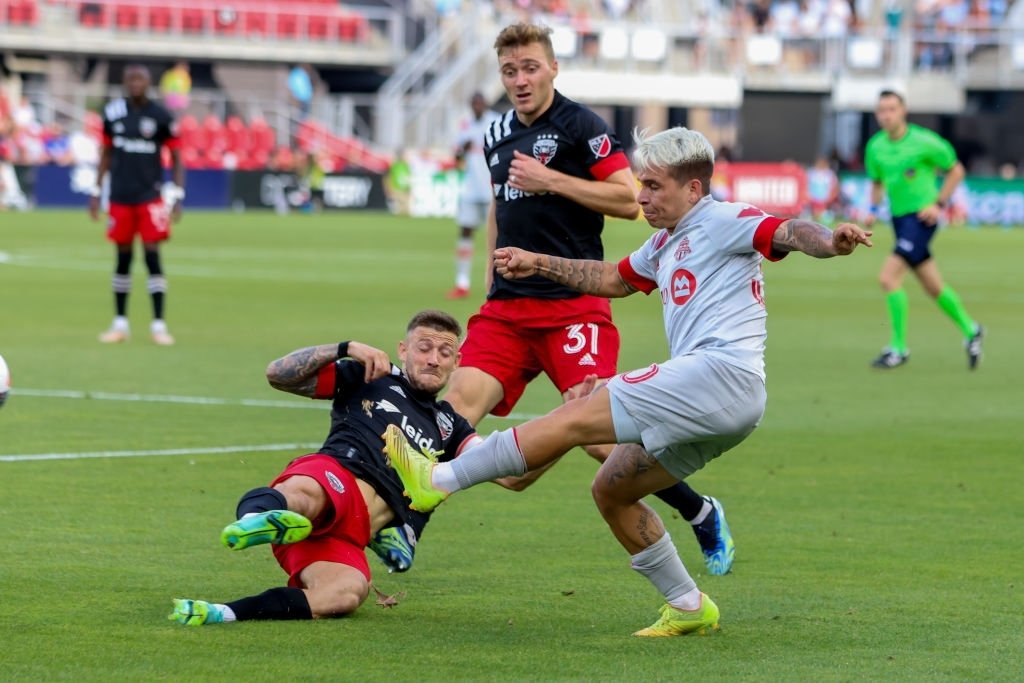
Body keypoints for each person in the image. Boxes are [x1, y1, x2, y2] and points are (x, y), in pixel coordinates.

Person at [383, 126, 873, 636]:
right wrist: (536, 263)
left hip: (720, 373)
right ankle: (688, 605)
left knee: (579, 412)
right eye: (642, 184)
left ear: (693, 189)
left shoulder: (725, 220)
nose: (642, 197)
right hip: (724, 403)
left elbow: (790, 231)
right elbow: (610, 279)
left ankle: (437, 480)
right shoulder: (664, 243)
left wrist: (832, 243)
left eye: (655, 186)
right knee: (611, 490)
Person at [440, 22, 737, 576]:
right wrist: (489, 278)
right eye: (510, 71)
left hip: (572, 304)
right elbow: (499, 208)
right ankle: (404, 528)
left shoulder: (582, 126)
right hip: (508, 306)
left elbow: (626, 201)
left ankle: (698, 510)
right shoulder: (496, 132)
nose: (521, 79)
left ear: (553, 67)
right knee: (450, 413)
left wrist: (551, 180)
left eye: (530, 67)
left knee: (599, 435)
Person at [169, 310, 479, 626]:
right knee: (307, 495)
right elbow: (278, 374)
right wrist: (345, 348)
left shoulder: (450, 425)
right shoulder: (372, 375)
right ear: (403, 350)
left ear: (457, 362)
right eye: (424, 347)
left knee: (347, 593)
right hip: (337, 476)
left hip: (352, 534)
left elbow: (504, 467)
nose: (433, 360)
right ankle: (254, 520)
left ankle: (224, 612)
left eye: (445, 352)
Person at [863, 90, 983, 370]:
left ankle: (899, 348)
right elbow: (877, 182)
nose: (886, 115)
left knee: (888, 278)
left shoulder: (924, 141)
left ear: (903, 111)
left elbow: (956, 170)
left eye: (892, 109)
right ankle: (971, 329)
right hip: (899, 220)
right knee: (933, 286)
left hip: (922, 219)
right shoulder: (876, 147)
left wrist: (939, 204)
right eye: (881, 110)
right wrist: (871, 210)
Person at [91, 64, 184, 346]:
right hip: (120, 196)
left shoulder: (161, 116)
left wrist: (177, 193)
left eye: (140, 78)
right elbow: (106, 154)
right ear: (124, 81)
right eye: (130, 78)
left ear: (149, 82)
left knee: (152, 256)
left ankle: (159, 325)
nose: (135, 83)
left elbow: (177, 157)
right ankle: (120, 324)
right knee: (122, 259)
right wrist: (97, 190)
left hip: (150, 197)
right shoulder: (112, 113)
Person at [447, 92, 500, 299]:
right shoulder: (465, 124)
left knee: (498, 237)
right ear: (471, 104)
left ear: (485, 104)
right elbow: (456, 156)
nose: (477, 106)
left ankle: (497, 283)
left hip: (491, 190)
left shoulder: (495, 122)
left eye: (480, 103)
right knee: (465, 232)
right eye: (474, 103)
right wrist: (462, 149)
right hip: (470, 189)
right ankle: (462, 283)